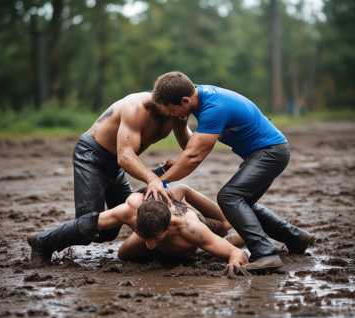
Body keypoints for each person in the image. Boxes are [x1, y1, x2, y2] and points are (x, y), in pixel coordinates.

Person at [147, 71, 315, 268]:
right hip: (266, 151)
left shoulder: (214, 108)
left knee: (229, 197)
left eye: (171, 111)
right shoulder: (197, 96)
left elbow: (194, 156)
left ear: (184, 101)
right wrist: (180, 126)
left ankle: (265, 254)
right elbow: (190, 148)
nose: (170, 116)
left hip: (270, 152)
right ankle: (296, 238)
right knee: (242, 205)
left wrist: (160, 181)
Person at [28, 91, 197, 256]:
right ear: (166, 103)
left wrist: (181, 131)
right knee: (89, 230)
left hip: (115, 166)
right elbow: (124, 157)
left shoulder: (176, 113)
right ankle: (41, 242)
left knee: (110, 231)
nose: (187, 111)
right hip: (92, 156)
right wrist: (152, 178)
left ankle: (144, 195)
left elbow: (190, 147)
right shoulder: (136, 107)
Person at [28, 185, 252, 276]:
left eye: (154, 239)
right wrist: (46, 241)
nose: (149, 244)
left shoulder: (190, 227)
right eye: (146, 237)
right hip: (160, 220)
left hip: (190, 240)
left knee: (223, 229)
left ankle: (248, 232)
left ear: (168, 227)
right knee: (123, 254)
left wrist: (234, 261)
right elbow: (89, 223)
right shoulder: (131, 208)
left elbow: (234, 253)